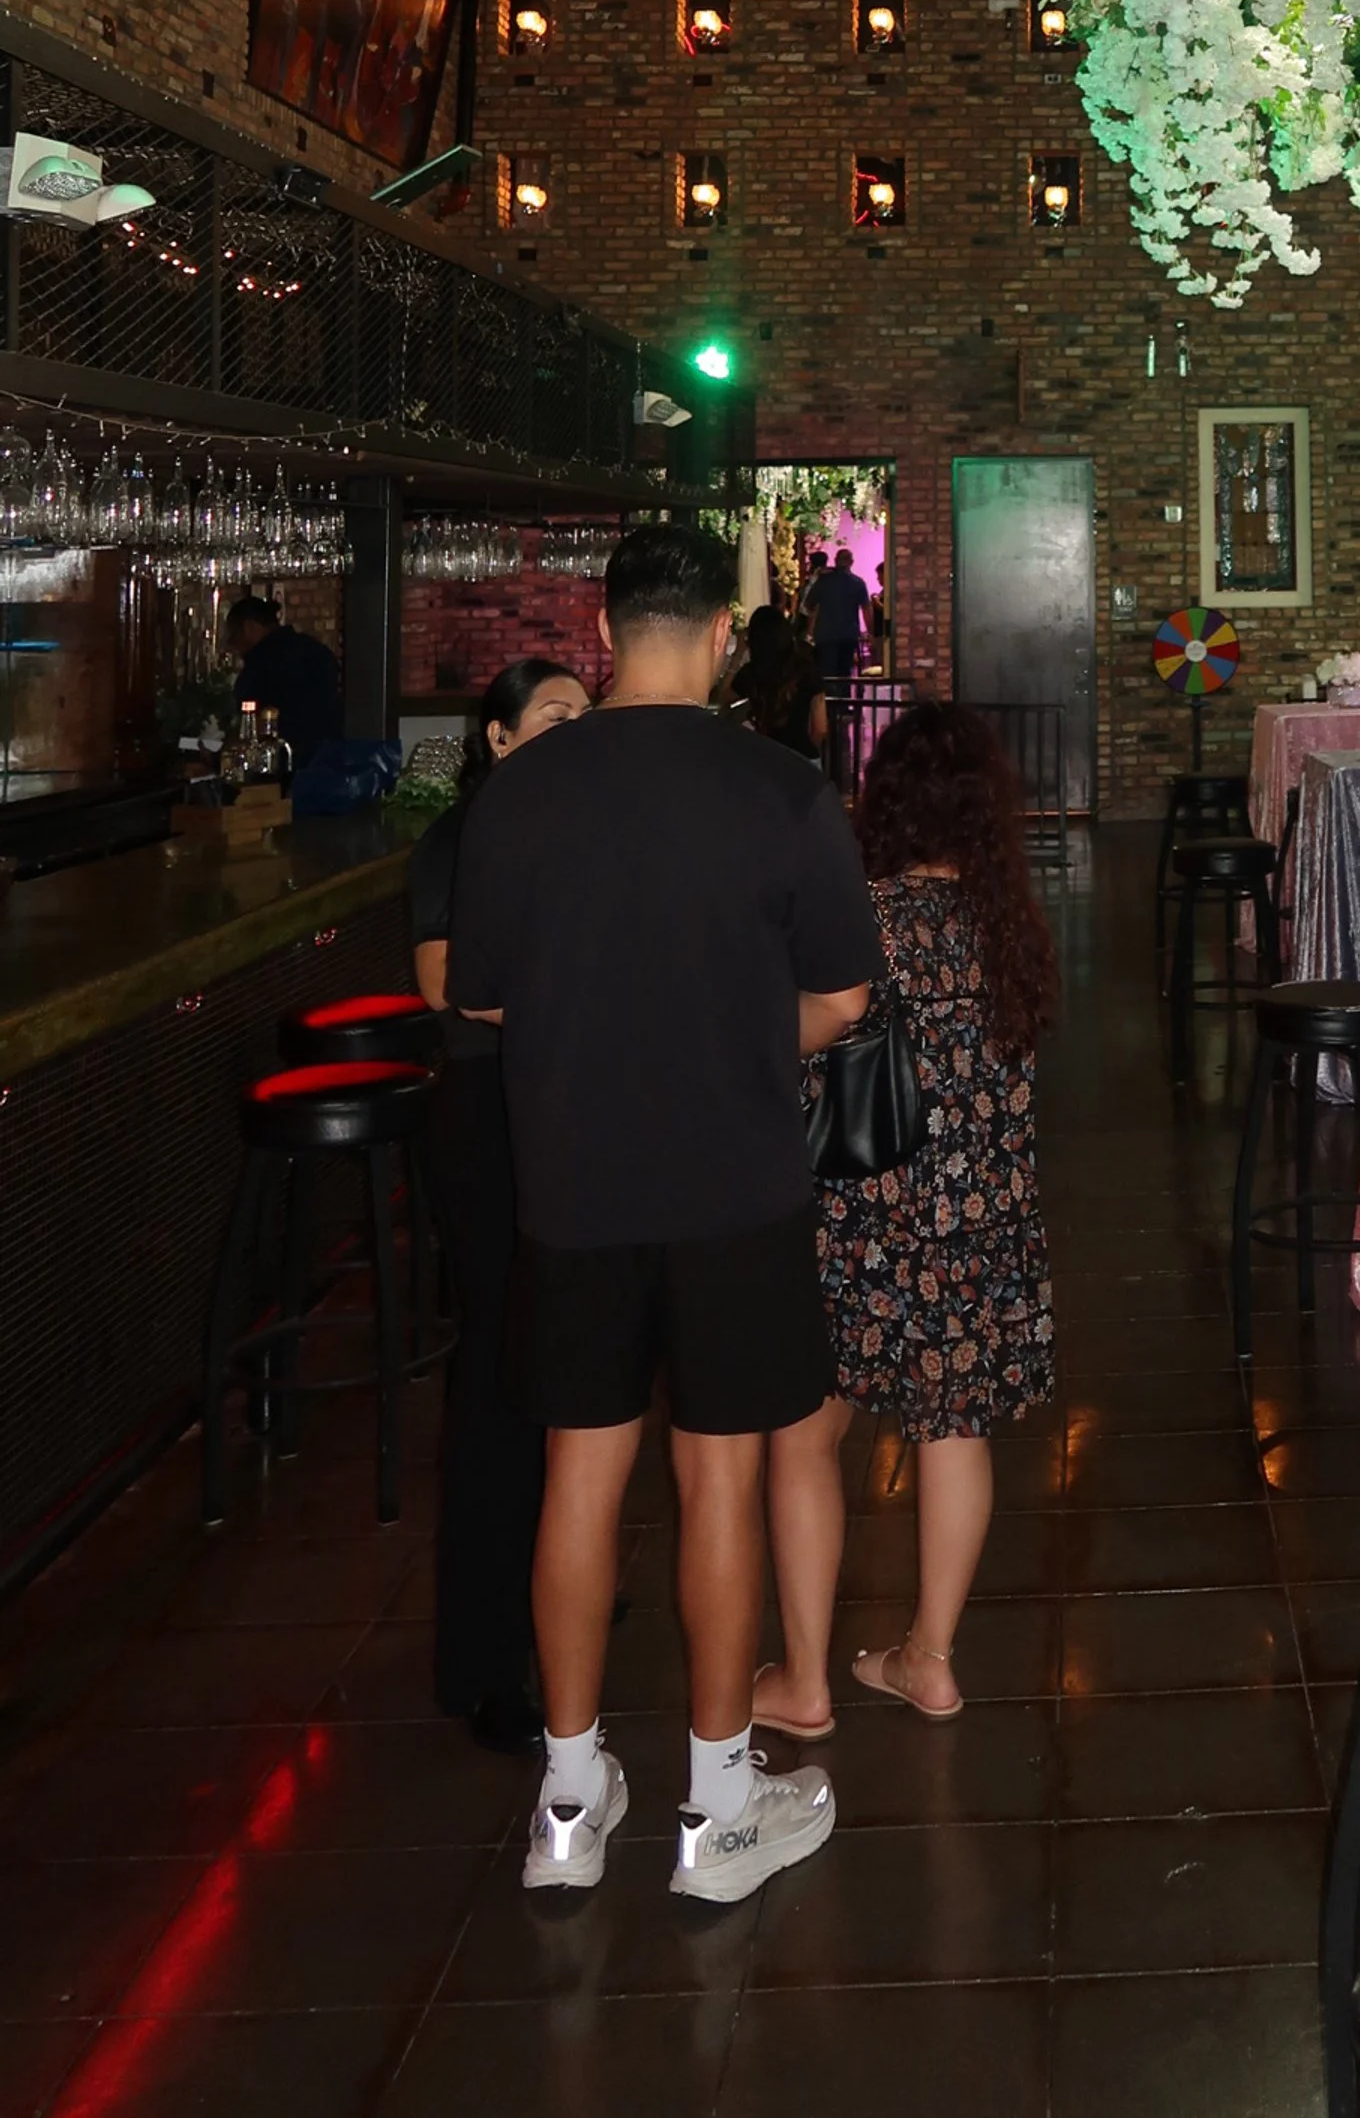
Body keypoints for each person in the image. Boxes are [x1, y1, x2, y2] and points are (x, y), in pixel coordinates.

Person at [446, 523, 878, 1902]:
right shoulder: (781, 788)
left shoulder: (519, 794)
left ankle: (568, 1808)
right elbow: (844, 1001)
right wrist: (742, 1033)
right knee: (722, 1478)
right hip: (733, 1177)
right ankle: (715, 1807)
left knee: (580, 1474)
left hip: (571, 1178)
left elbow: (484, 997)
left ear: (606, 625)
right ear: (719, 629)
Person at [754, 702, 1058, 1735]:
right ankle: (928, 1658)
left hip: (859, 1218)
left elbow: (805, 1046)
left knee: (804, 1434)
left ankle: (802, 1680)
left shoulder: (862, 916)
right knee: (952, 1428)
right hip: (978, 1222)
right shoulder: (1008, 922)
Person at [408, 656, 590, 1748]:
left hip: (562, 1113)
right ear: (499, 738)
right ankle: (482, 1664)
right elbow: (445, 983)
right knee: (497, 1378)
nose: (575, 730)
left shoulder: (574, 840)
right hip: (486, 1119)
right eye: (553, 715)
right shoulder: (460, 841)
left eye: (585, 712)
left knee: (569, 1364)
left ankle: (557, 1586)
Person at [224, 591, 344, 777]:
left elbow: (251, 725)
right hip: (331, 761)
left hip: (284, 767)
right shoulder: (314, 649)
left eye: (234, 636)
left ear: (249, 628)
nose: (233, 646)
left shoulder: (260, 663)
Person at [810, 542, 873, 700]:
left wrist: (810, 630)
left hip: (825, 634)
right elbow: (866, 609)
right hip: (848, 634)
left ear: (835, 560)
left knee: (827, 673)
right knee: (845, 673)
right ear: (851, 562)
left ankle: (828, 708)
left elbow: (810, 605)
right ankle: (844, 707)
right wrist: (871, 632)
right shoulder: (858, 583)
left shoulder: (824, 581)